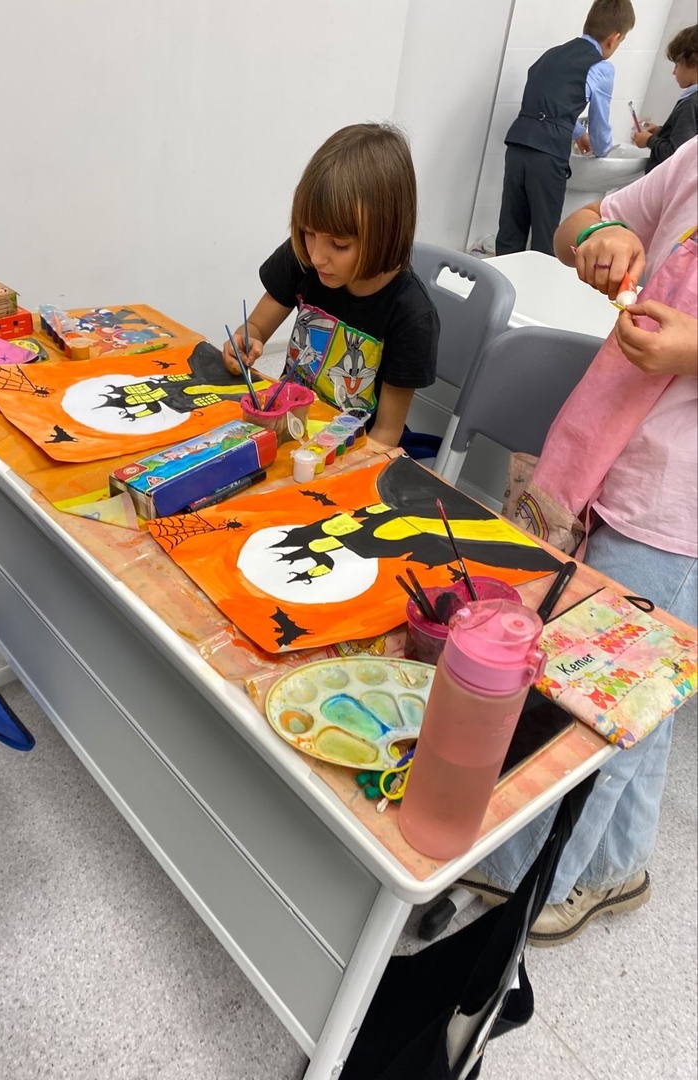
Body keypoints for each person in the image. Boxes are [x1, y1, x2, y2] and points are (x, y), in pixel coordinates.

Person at [460, 136, 698, 946]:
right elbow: (576, 228)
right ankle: (616, 867)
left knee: (605, 707)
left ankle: (524, 886)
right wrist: (601, 235)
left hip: (674, 515)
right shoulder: (692, 162)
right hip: (610, 465)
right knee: (645, 690)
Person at [221, 122, 439, 450]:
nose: (317, 256)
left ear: (386, 233)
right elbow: (256, 328)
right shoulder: (303, 257)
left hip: (352, 451)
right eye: (308, 232)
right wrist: (244, 342)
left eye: (338, 244)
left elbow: (385, 436)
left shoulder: (411, 315)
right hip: (289, 430)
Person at [496, 0, 635, 257]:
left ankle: (499, 281)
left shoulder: (551, 55)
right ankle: (537, 283)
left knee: (509, 231)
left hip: (517, 146)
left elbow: (547, 102)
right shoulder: (601, 67)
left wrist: (578, 132)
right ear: (615, 38)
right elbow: (600, 126)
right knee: (546, 236)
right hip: (547, 156)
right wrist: (601, 148)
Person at [632, 24, 698, 171]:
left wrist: (649, 140)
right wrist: (662, 132)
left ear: (694, 64)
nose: (674, 72)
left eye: (677, 65)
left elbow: (677, 155)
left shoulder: (690, 104)